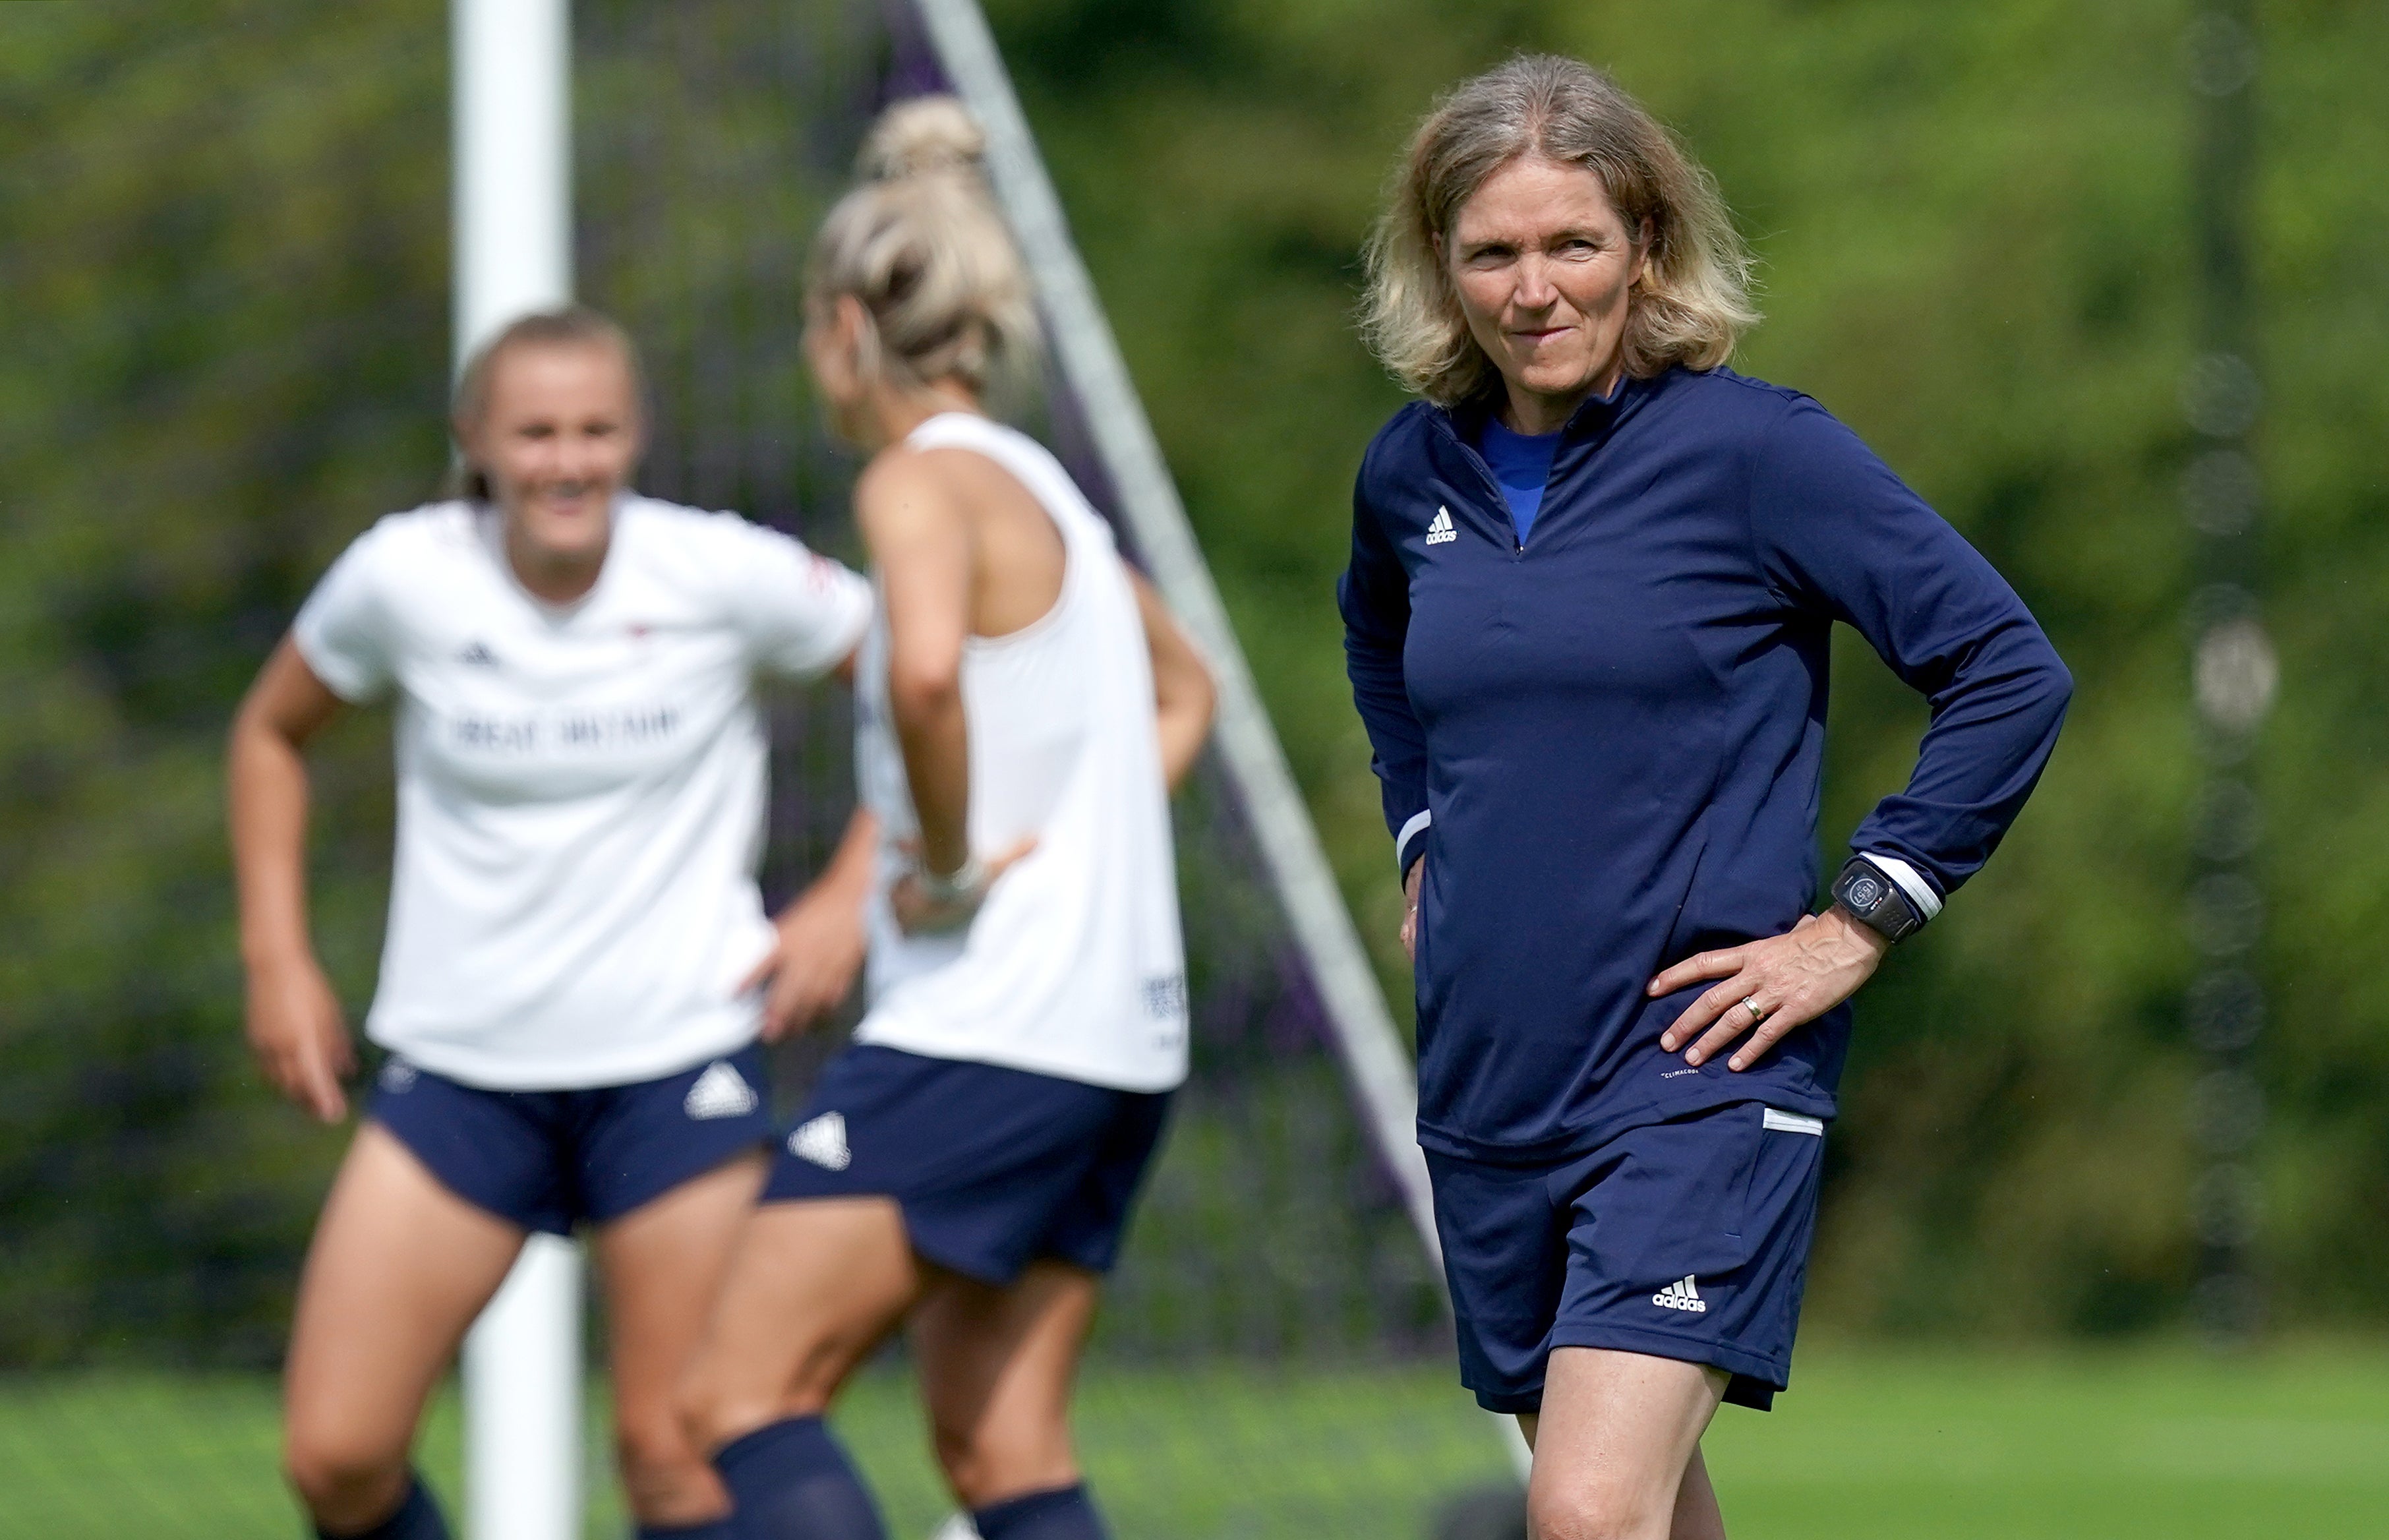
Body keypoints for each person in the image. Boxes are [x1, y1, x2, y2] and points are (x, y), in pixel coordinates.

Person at [1340, 56, 2072, 1540]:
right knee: (1655, 1519)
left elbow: (2007, 667)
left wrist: (1861, 918)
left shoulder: (1760, 454)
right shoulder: (1407, 472)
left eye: (1572, 245)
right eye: (1492, 251)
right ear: (1442, 268)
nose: (1532, 288)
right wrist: (1422, 831)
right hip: (1488, 1085)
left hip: (1695, 1077)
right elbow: (1380, 650)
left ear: (1649, 248)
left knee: (1586, 1518)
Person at [227, 304, 879, 1540]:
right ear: (476, 438)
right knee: (336, 1455)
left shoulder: (715, 571)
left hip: (673, 1067)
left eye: (596, 431)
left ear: (636, 440)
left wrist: (849, 894)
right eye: (534, 433)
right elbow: (269, 734)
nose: (566, 462)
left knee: (675, 1458)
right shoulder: (402, 576)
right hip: (463, 1073)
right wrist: (278, 955)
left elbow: (921, 678)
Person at [676, 97, 1216, 1540]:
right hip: (1119, 1039)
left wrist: (951, 862)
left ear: (849, 326)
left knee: (733, 1397)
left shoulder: (914, 482)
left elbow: (920, 673)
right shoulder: (1049, 490)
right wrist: (1072, 825)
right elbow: (1188, 694)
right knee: (1004, 1451)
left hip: (987, 1029)